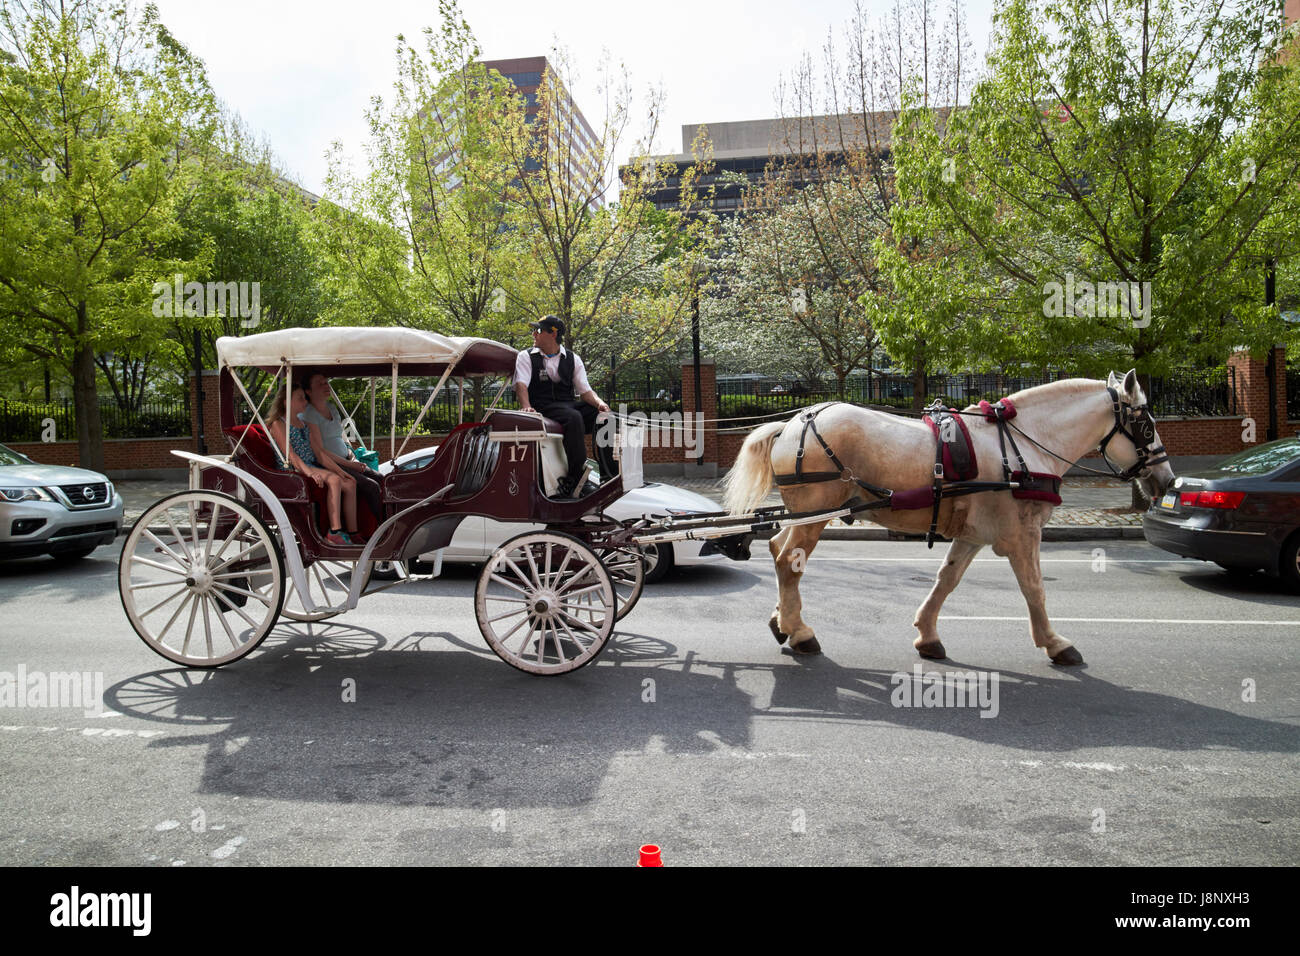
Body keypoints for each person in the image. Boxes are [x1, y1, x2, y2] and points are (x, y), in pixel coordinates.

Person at [513, 315, 617, 499]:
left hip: (567, 405)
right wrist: (527, 406)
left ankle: (610, 474)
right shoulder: (526, 356)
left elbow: (585, 391)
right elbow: (521, 385)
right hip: (543, 407)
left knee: (607, 417)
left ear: (553, 334)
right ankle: (576, 479)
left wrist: (601, 404)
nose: (533, 334)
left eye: (538, 330)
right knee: (573, 417)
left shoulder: (572, 358)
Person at [267, 383, 361, 547]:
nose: (305, 402)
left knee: (350, 482)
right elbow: (291, 455)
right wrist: (310, 474)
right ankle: (334, 532)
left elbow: (320, 453)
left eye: (305, 398)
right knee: (334, 480)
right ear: (285, 402)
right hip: (293, 468)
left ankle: (353, 532)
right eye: (300, 398)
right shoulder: (279, 424)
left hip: (311, 464)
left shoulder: (303, 424)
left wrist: (342, 471)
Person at [300, 371, 384, 529]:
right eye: (320, 384)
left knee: (381, 478)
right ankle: (381, 527)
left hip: (347, 458)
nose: (326, 386)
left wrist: (352, 457)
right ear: (308, 391)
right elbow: (320, 451)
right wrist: (350, 465)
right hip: (330, 463)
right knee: (371, 486)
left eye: (326, 382)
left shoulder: (332, 408)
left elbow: (340, 438)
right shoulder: (309, 414)